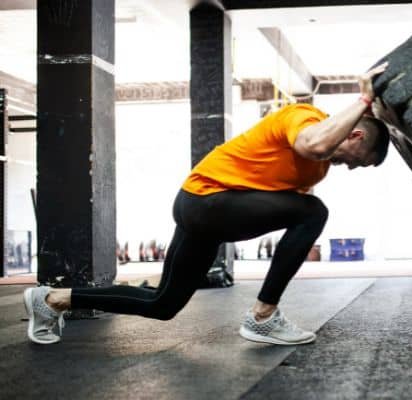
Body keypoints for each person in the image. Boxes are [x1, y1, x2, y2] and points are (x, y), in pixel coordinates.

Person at [23, 62, 390, 346]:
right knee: (315, 212)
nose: (356, 167)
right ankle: (264, 315)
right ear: (356, 133)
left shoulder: (319, 171)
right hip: (205, 203)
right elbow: (313, 145)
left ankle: (53, 299)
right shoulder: (303, 117)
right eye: (362, 158)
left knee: (163, 304)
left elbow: (290, 204)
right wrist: (363, 101)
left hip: (206, 211)